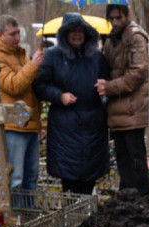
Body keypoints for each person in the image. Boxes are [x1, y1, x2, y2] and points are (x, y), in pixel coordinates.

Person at [33, 13, 110, 195]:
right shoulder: (52, 56)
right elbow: (39, 85)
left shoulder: (97, 57)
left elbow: (107, 81)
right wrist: (59, 96)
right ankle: (72, 209)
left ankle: (88, 208)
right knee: (70, 179)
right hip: (65, 126)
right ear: (65, 33)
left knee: (90, 176)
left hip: (93, 125)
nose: (77, 35)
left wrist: (104, 89)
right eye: (73, 31)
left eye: (80, 31)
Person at [0, 15, 43, 208]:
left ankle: (29, 214)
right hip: (13, 126)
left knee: (31, 177)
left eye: (18, 33)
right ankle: (15, 217)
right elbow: (13, 85)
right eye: (12, 34)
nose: (17, 37)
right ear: (0, 35)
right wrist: (33, 65)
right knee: (15, 178)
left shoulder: (20, 53)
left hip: (30, 124)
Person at [96, 5, 149, 197]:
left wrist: (109, 87)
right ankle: (127, 198)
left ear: (127, 15)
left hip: (132, 110)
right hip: (116, 111)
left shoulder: (135, 37)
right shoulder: (111, 40)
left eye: (118, 18)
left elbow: (137, 72)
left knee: (136, 160)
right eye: (111, 19)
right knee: (123, 160)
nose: (115, 22)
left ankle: (142, 198)